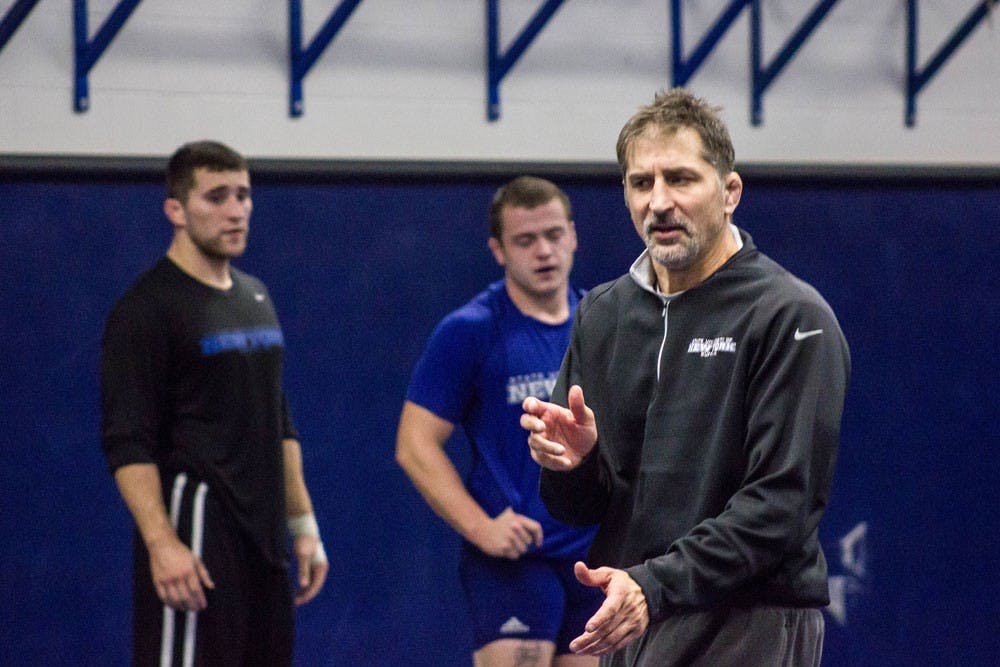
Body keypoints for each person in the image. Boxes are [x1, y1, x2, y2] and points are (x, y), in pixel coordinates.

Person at [520, 89, 850, 666]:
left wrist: (656, 585)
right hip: (634, 614)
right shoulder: (603, 313)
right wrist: (575, 466)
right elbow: (579, 508)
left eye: (681, 179)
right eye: (640, 183)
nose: (659, 202)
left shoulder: (791, 318)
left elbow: (779, 506)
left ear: (730, 193)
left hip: (748, 622)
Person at [100, 140, 327, 666]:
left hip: (264, 534)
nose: (235, 210)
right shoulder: (146, 309)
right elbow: (127, 440)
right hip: (198, 528)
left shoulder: (255, 295)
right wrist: (161, 543)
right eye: (217, 196)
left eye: (243, 195)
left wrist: (303, 524)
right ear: (175, 210)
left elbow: (279, 419)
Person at [396, 176, 602, 667]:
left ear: (573, 235)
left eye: (553, 235)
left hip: (591, 558)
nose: (544, 251)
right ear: (498, 250)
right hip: (512, 560)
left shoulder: (602, 321)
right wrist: (481, 527)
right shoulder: (472, 330)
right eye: (525, 240)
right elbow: (414, 444)